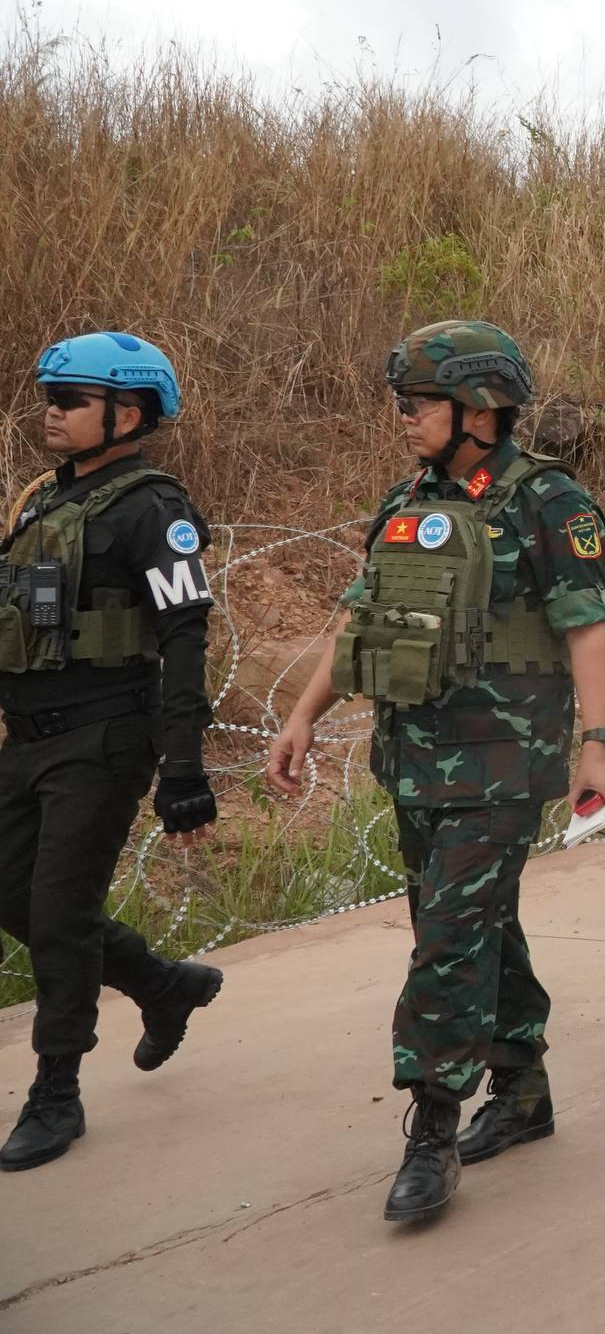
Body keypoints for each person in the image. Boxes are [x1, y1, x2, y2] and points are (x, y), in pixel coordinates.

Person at [265, 321, 605, 1222]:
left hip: (505, 763)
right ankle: (525, 1090)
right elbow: (361, 621)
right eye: (402, 402)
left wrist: (602, 741)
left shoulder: (547, 500)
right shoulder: (404, 501)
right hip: (416, 761)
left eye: (419, 402)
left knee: (448, 943)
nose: (404, 418)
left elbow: (586, 625)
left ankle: (431, 1129)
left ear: (481, 408)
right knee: (471, 927)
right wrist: (303, 716)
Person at [0, 334, 221, 1172]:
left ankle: (57, 1091)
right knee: (12, 895)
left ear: (126, 414)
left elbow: (184, 635)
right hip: (28, 740)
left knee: (57, 915)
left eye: (70, 400)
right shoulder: (44, 503)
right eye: (49, 397)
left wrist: (184, 766)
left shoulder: (151, 509)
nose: (50, 412)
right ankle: (162, 984)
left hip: (103, 740)